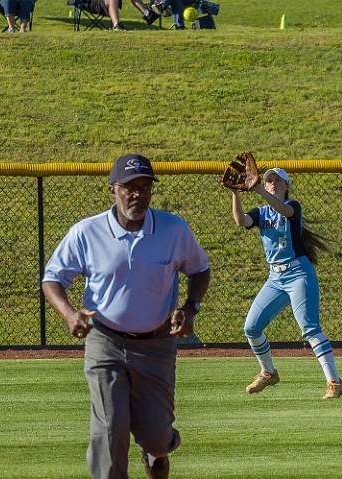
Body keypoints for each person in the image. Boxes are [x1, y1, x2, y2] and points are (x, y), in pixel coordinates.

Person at [42, 154, 211, 479]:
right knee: (110, 429)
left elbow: (200, 270)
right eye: (129, 187)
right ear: (112, 190)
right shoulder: (87, 232)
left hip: (156, 344)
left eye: (144, 186)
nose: (137, 194)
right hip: (105, 339)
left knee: (157, 437)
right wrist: (68, 313)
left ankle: (156, 449)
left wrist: (190, 308)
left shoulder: (173, 229)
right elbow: (52, 278)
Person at [227, 167, 342, 400]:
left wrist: (258, 188)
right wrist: (235, 193)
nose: (271, 182)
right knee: (251, 328)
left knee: (309, 327)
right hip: (275, 278)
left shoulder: (293, 206)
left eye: (276, 180)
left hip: (298, 273)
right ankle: (268, 372)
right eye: (268, 179)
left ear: (286, 185)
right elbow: (242, 221)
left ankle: (334, 382)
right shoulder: (262, 213)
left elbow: (282, 209)